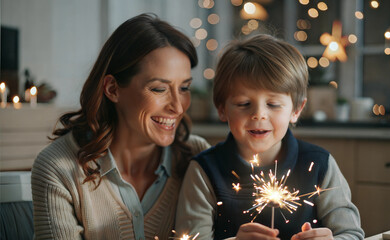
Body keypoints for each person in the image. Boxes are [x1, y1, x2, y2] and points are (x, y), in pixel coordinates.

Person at [31, 13, 210, 240]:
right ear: (113, 89)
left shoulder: (197, 157)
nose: (178, 107)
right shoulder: (59, 168)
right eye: (159, 89)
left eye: (184, 88)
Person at [175, 34, 364, 240]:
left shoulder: (319, 165)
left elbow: (352, 233)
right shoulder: (204, 171)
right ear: (222, 109)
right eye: (243, 104)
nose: (259, 114)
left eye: (273, 104)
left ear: (296, 110)